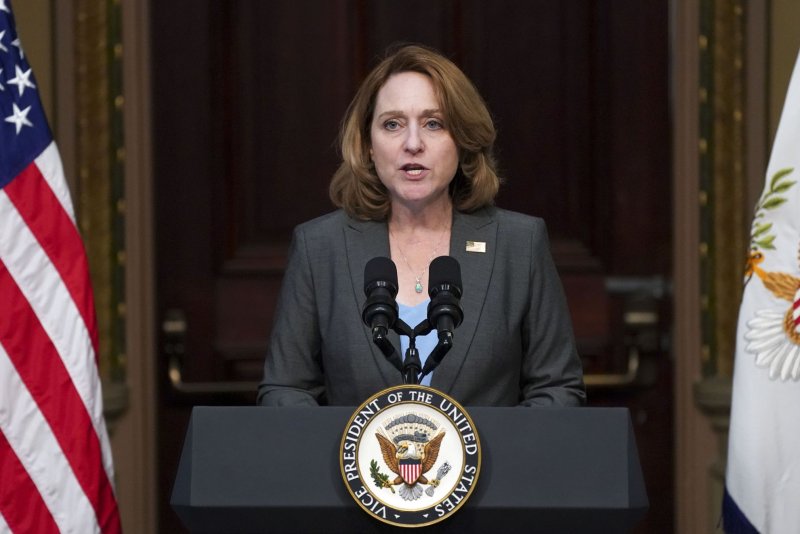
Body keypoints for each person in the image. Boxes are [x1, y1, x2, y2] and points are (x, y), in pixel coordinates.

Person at [257, 44, 585, 407]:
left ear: (461, 139)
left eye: (434, 123)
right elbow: (286, 390)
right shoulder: (319, 247)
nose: (413, 144)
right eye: (392, 124)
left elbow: (557, 390)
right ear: (367, 144)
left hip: (495, 465)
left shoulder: (519, 244)